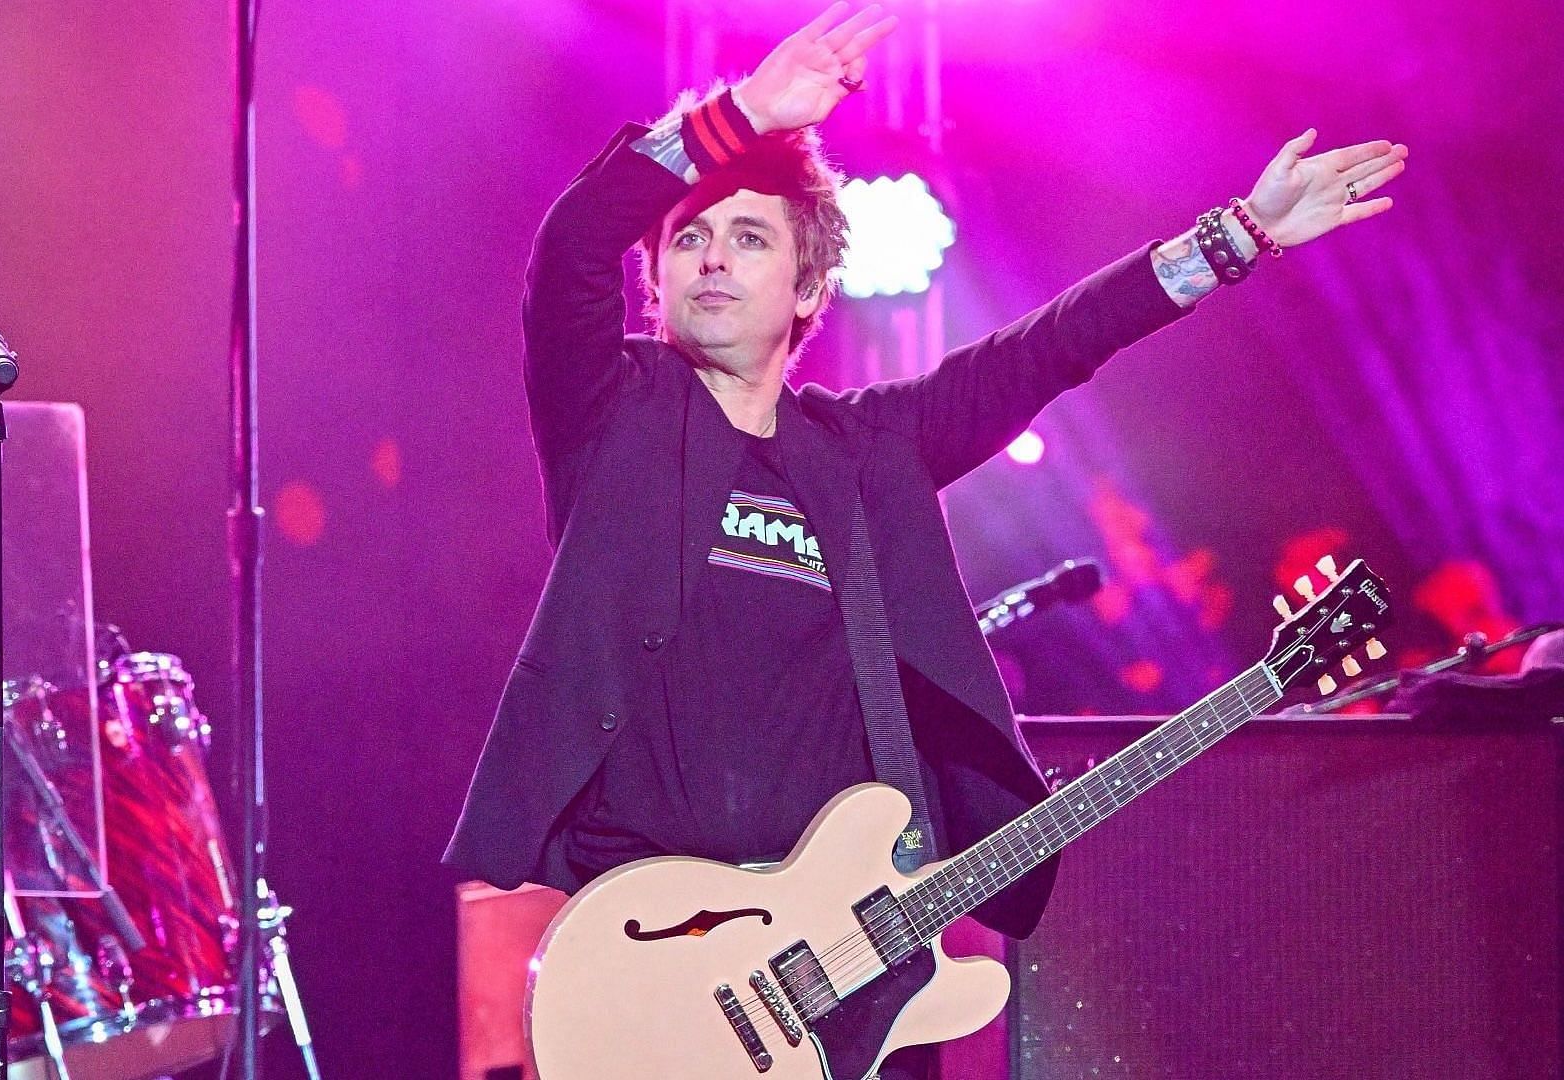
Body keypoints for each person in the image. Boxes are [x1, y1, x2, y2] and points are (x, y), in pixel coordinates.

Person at [444, 3, 1405, 1073]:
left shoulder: (866, 451)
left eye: (748, 238)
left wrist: (1235, 237)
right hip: (658, 944)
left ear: (809, 289)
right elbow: (573, 241)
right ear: (656, 281)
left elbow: (1046, 350)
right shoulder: (612, 411)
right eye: (689, 241)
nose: (711, 259)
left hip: (846, 959)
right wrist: (748, 111)